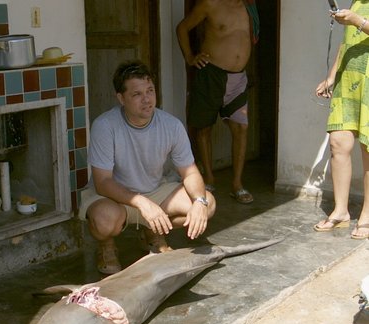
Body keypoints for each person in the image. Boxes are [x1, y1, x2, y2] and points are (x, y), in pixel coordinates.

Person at [78, 60, 216, 275]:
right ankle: (107, 246)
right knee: (104, 221)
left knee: (208, 203)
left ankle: (151, 231)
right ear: (121, 98)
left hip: (155, 190)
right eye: (137, 94)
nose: (147, 99)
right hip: (114, 197)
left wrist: (199, 201)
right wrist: (142, 203)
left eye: (150, 91)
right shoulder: (105, 126)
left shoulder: (171, 125)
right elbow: (103, 182)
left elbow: (189, 171)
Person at [176, 0, 260, 204]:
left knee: (241, 128)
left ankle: (237, 184)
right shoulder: (210, 4)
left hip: (238, 78)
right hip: (211, 74)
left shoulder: (249, 7)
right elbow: (182, 28)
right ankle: (209, 179)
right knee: (203, 128)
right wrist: (189, 57)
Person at [313, 1, 369, 240]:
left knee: (368, 149)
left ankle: (367, 215)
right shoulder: (358, 1)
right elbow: (346, 43)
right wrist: (331, 77)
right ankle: (341, 211)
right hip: (348, 81)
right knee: (338, 143)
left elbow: (359, 27)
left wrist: (359, 21)